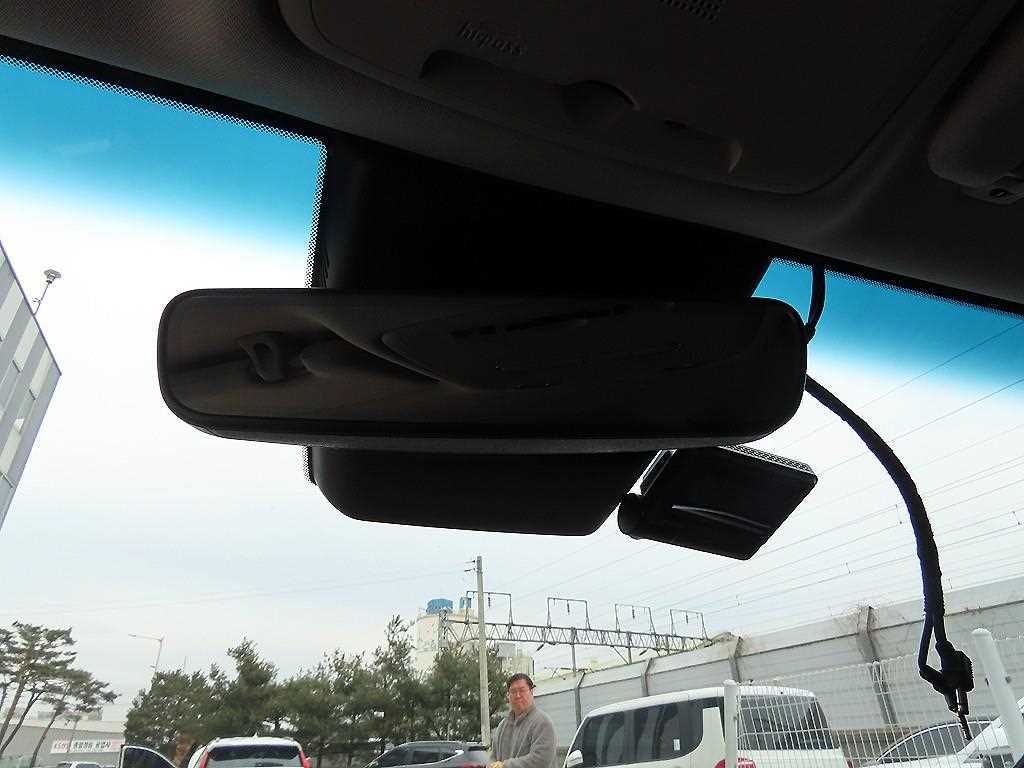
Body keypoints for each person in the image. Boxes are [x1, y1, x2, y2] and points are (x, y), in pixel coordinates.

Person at [489, 673, 556, 768]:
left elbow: (541, 759)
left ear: (531, 692)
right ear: (508, 695)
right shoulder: (502, 726)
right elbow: (493, 757)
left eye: (522, 690)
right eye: (513, 691)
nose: (518, 695)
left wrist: (506, 765)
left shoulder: (543, 723)